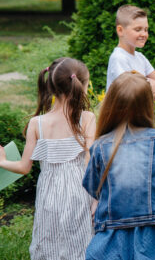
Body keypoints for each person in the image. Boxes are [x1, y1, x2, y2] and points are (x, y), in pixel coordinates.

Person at [83, 72, 155, 260]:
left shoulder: (100, 146)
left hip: (112, 232)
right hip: (154, 232)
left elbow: (92, 187)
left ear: (111, 105)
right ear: (147, 105)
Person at [0, 57, 95, 260]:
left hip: (49, 195)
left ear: (51, 87)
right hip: (80, 191)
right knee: (80, 242)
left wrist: (1, 161)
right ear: (82, 86)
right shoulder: (87, 118)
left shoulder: (37, 123)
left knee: (49, 239)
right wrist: (96, 199)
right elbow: (91, 162)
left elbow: (24, 167)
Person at [106, 4, 155, 103]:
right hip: (122, 117)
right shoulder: (118, 58)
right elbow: (130, 92)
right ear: (120, 30)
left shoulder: (141, 58)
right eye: (138, 29)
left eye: (146, 29)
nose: (144, 34)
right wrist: (151, 88)